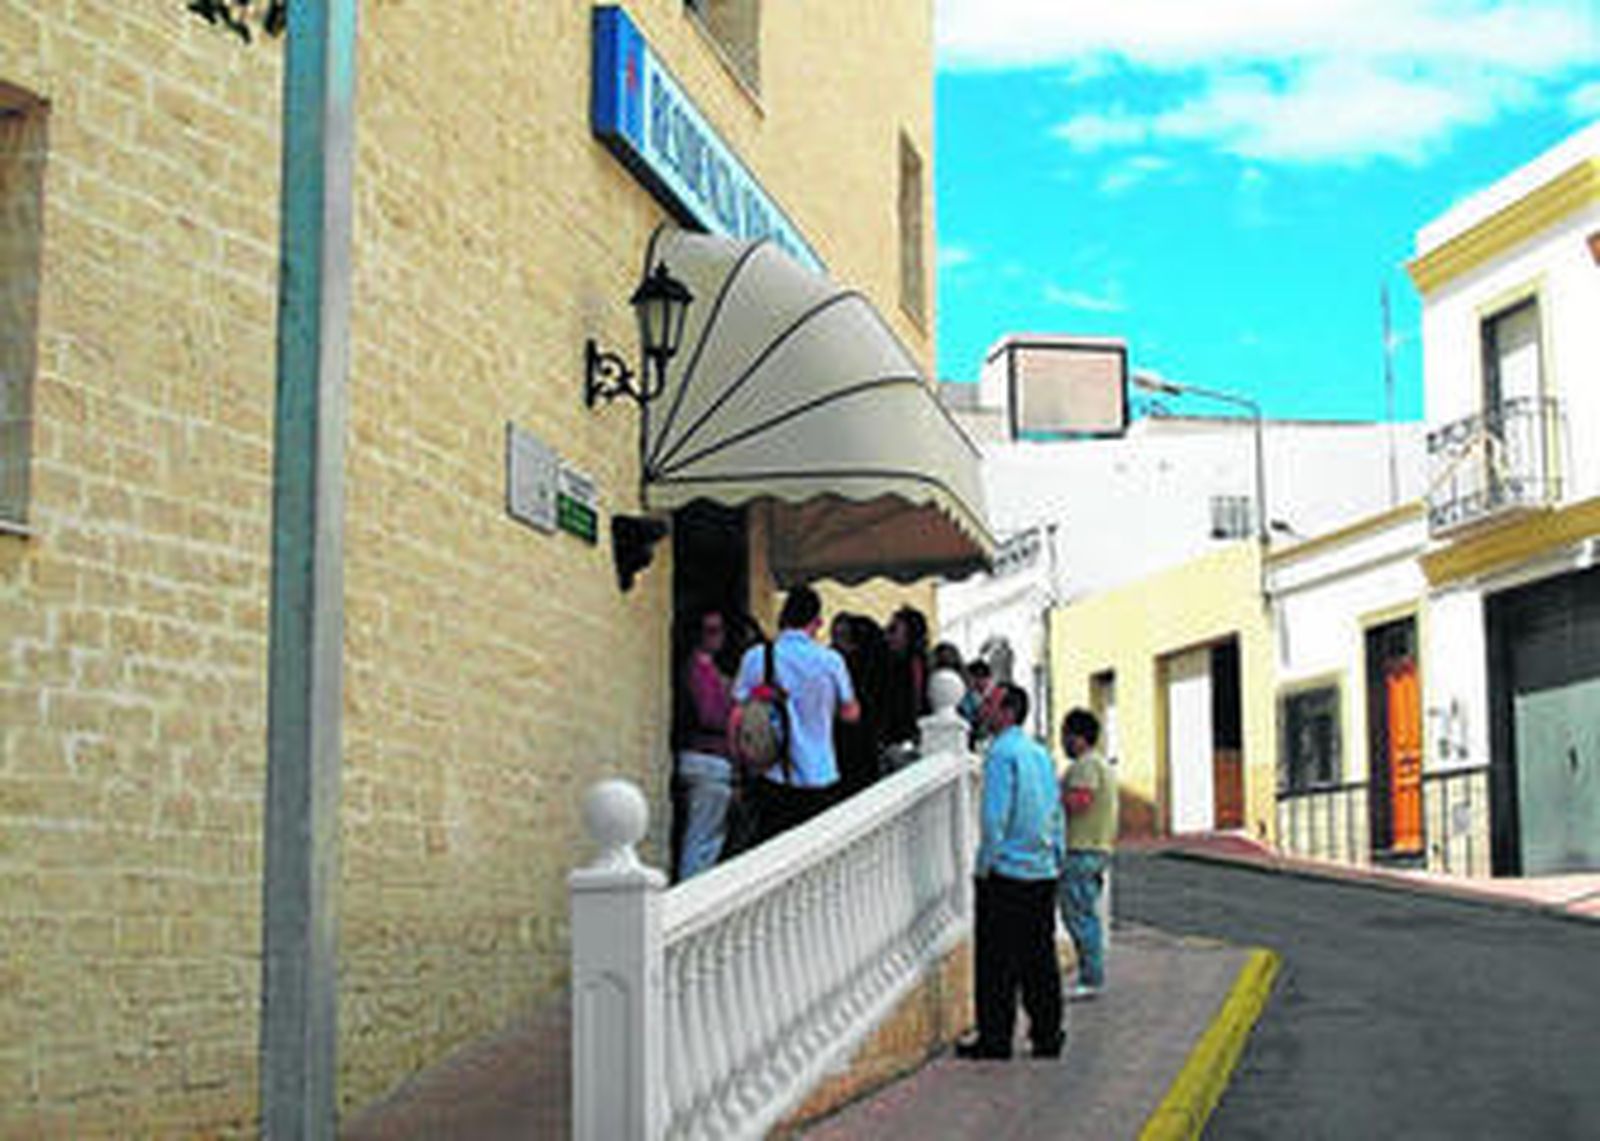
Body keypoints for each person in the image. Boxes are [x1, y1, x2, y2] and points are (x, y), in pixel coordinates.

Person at [957, 683, 1066, 1061]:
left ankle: (996, 1037)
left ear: (1007, 711)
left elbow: (994, 818)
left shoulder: (1001, 754)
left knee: (997, 963)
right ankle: (1048, 1034)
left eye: (989, 703)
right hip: (1042, 870)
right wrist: (1056, 855)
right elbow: (1056, 810)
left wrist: (984, 865)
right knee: (1040, 958)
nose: (982, 708)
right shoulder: (1040, 753)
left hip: (1007, 872)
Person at [729, 585, 861, 843]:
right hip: (821, 773)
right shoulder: (831, 660)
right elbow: (850, 713)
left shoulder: (756, 657)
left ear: (784, 616)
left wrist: (738, 769)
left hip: (772, 774)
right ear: (817, 621)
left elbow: (736, 717)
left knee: (774, 851)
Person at [1058, 707, 1118, 1000]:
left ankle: (1091, 979)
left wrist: (1052, 796)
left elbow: (1080, 801)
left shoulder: (1085, 766)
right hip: (1096, 849)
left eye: (1065, 736)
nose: (1063, 742)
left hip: (1081, 850)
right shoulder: (1101, 764)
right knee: (1085, 915)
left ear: (1078, 738)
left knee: (1079, 917)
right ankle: (1091, 976)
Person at [673, 608, 736, 879]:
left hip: (704, 759)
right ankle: (690, 894)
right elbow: (709, 715)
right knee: (702, 841)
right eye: (711, 631)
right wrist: (734, 715)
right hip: (706, 758)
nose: (717, 637)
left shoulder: (708, 669)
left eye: (719, 630)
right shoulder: (698, 669)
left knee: (705, 838)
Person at [882, 606, 930, 758]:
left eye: (893, 630)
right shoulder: (891, 664)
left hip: (904, 744)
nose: (886, 637)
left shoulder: (914, 666)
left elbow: (913, 706)